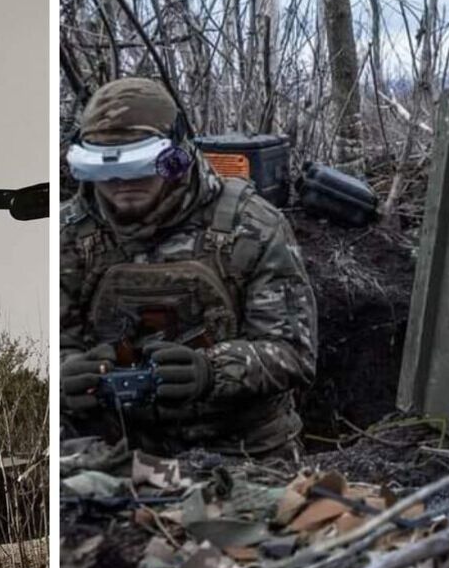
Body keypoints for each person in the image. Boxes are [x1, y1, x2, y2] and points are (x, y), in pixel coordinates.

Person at [58, 77, 318, 458]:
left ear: (176, 157)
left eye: (138, 167)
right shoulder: (67, 236)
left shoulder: (253, 227)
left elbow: (294, 352)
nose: (120, 183)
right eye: (104, 171)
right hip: (111, 450)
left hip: (240, 449)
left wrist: (212, 371)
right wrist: (65, 375)